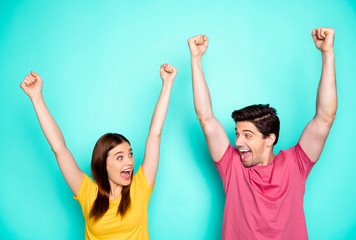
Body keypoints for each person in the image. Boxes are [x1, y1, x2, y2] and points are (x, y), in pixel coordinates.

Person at [188, 27, 337, 240]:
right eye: (237, 134)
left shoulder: (296, 163)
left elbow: (325, 118)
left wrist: (327, 53)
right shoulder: (232, 165)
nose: (238, 141)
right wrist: (196, 59)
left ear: (270, 139)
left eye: (247, 135)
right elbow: (206, 117)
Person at [20, 63, 178, 240]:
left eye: (130, 154)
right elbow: (59, 148)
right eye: (120, 157)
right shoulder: (87, 192)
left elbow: (155, 133)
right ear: (103, 163)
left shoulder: (140, 187)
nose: (130, 161)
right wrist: (36, 97)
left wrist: (167, 84)